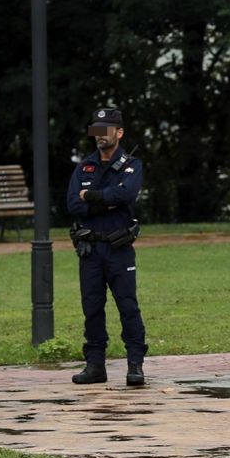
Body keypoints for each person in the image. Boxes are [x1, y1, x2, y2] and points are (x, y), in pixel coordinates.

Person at [65, 107, 148, 386]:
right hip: (90, 250)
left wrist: (90, 196)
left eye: (106, 129)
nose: (100, 135)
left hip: (119, 247)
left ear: (119, 132)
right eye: (96, 130)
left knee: (127, 306)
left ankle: (135, 365)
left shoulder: (131, 165)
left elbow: (126, 194)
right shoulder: (84, 166)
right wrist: (106, 200)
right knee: (92, 307)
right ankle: (95, 366)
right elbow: (73, 205)